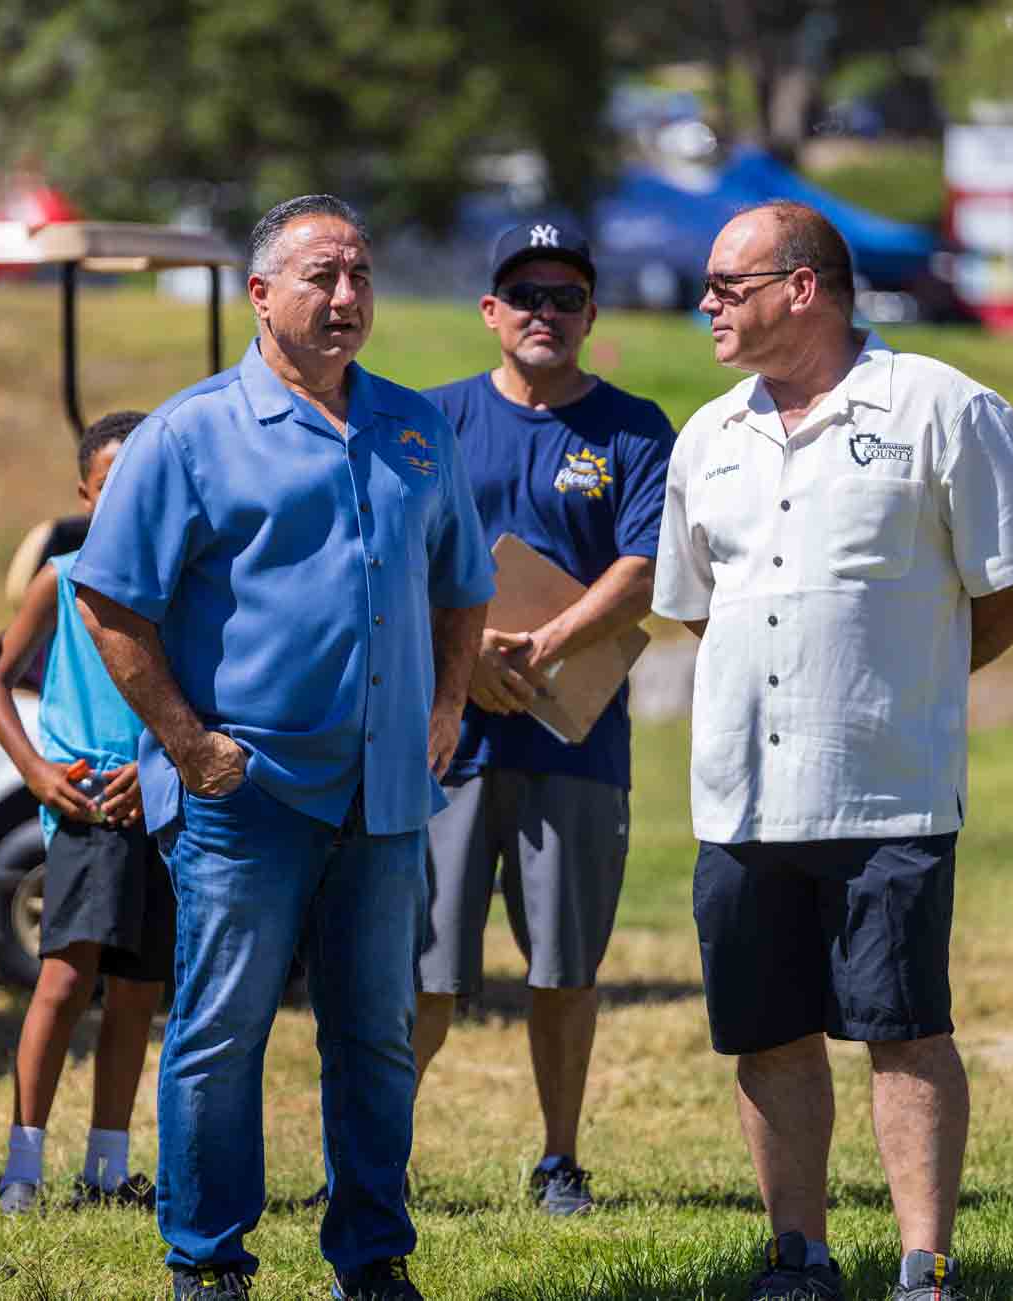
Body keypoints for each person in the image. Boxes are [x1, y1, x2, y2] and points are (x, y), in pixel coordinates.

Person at [71, 195, 494, 1301]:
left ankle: (373, 1256)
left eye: (360, 274)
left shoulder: (415, 429)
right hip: (243, 791)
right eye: (321, 275)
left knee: (377, 1037)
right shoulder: (189, 433)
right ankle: (208, 1260)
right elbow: (111, 601)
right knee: (222, 1032)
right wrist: (187, 743)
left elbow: (462, 586)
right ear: (261, 295)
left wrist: (447, 703)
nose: (347, 295)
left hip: (386, 788)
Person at [652, 202, 1013, 1301]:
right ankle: (800, 1254)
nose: (707, 306)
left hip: (887, 788)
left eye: (727, 285)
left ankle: (924, 1268)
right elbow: (700, 605)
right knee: (767, 1031)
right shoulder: (708, 435)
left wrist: (912, 676)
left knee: (903, 1027)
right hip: (740, 796)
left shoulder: (943, 407)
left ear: (802, 287)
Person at [411, 221, 674, 1215]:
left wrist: (544, 642)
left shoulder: (635, 428)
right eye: (526, 295)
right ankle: (382, 1151)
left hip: (575, 735)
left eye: (567, 297)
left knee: (564, 965)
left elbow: (644, 567)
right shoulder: (430, 420)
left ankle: (559, 1157)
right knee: (425, 970)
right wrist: (465, 658)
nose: (546, 313)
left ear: (591, 315)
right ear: (490, 311)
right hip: (447, 739)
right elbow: (399, 556)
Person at [0, 410, 174, 1214]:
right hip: (86, 804)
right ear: (84, 492)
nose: (126, 497)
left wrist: (160, 763)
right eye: (110, 483)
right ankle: (22, 1169)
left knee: (138, 988)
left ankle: (106, 1169)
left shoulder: (181, 579)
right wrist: (36, 770)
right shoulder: (62, 577)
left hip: (159, 799)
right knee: (63, 978)